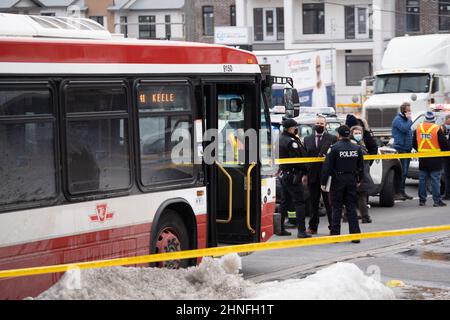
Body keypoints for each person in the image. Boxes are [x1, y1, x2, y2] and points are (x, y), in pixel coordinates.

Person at [321, 125, 364, 243]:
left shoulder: (334, 148)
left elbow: (327, 167)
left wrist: (323, 182)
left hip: (338, 180)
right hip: (351, 179)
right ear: (349, 134)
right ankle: (355, 236)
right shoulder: (356, 148)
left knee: (336, 207)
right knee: (351, 208)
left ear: (338, 135)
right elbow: (361, 166)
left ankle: (335, 235)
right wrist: (359, 179)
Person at [303, 115, 337, 234]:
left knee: (329, 202)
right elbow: (305, 158)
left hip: (327, 176)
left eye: (322, 124)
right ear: (314, 123)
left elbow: (335, 156)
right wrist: (305, 174)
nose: (319, 125)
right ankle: (313, 227)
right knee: (313, 202)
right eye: (317, 123)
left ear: (325, 125)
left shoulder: (332, 138)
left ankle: (333, 227)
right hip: (312, 175)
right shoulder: (307, 139)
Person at [278, 118, 311, 238]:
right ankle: (301, 231)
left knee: (284, 202)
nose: (296, 129)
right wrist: (307, 170)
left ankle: (280, 228)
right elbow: (297, 161)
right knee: (300, 202)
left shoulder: (281, 139)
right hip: (293, 175)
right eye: (295, 127)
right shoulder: (291, 142)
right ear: (290, 128)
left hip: (284, 174)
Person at [412, 111, 448, 207]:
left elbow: (414, 144)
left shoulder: (418, 128)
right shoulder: (436, 129)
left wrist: (420, 150)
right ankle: (437, 201)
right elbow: (444, 144)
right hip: (435, 158)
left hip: (423, 158)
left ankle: (422, 200)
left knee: (422, 180)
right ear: (434, 119)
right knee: (435, 180)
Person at [350, 125, 374, 223]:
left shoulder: (360, 143)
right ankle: (365, 217)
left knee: (352, 196)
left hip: (360, 173)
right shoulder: (355, 145)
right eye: (356, 133)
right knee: (361, 196)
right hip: (359, 174)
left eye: (359, 133)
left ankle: (347, 216)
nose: (358, 135)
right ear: (351, 134)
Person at [391, 102, 414, 200]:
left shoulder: (405, 120)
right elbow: (404, 129)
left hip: (407, 149)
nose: (410, 112)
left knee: (405, 172)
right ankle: (397, 192)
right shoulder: (398, 120)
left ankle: (402, 192)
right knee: (401, 172)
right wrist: (409, 120)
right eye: (408, 111)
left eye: (410, 111)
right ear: (403, 111)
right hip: (400, 148)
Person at [443, 114, 450, 200]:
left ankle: (447, 195)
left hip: (447, 155)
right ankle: (447, 194)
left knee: (447, 176)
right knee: (447, 176)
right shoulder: (441, 128)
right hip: (446, 155)